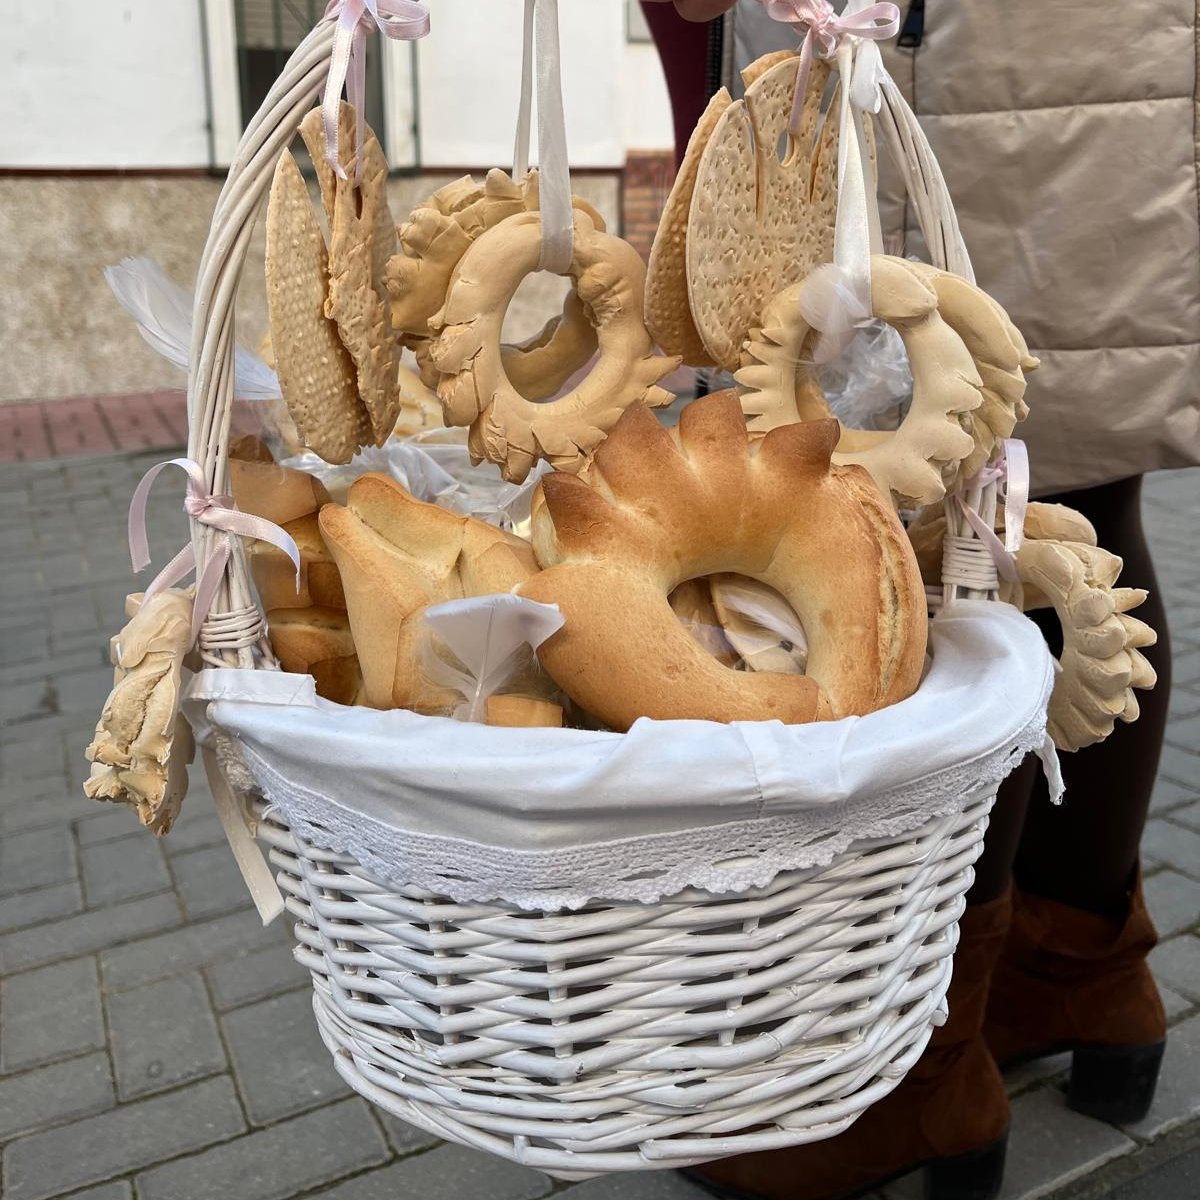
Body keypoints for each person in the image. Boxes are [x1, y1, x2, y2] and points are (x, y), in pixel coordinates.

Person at [642, 2, 1198, 1198]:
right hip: (1091, 54)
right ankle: (1081, 971)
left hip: (948, 47)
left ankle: (919, 1063)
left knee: (925, 522)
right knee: (1066, 495)